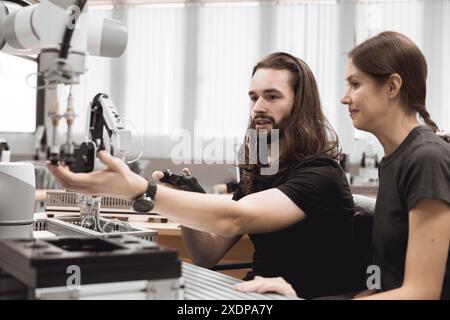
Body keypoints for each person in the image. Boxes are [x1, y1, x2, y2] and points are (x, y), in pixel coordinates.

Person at [48, 52, 364, 299]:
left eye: (272, 96)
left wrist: (139, 189)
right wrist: (191, 200)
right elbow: (207, 255)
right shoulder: (261, 174)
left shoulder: (321, 174)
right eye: (253, 97)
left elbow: (234, 218)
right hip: (255, 294)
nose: (257, 107)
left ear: (300, 105)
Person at [234, 32, 450, 300]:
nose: (344, 98)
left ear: (392, 87)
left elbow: (422, 293)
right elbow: (383, 276)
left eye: (355, 84)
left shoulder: (426, 159)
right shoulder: (395, 159)